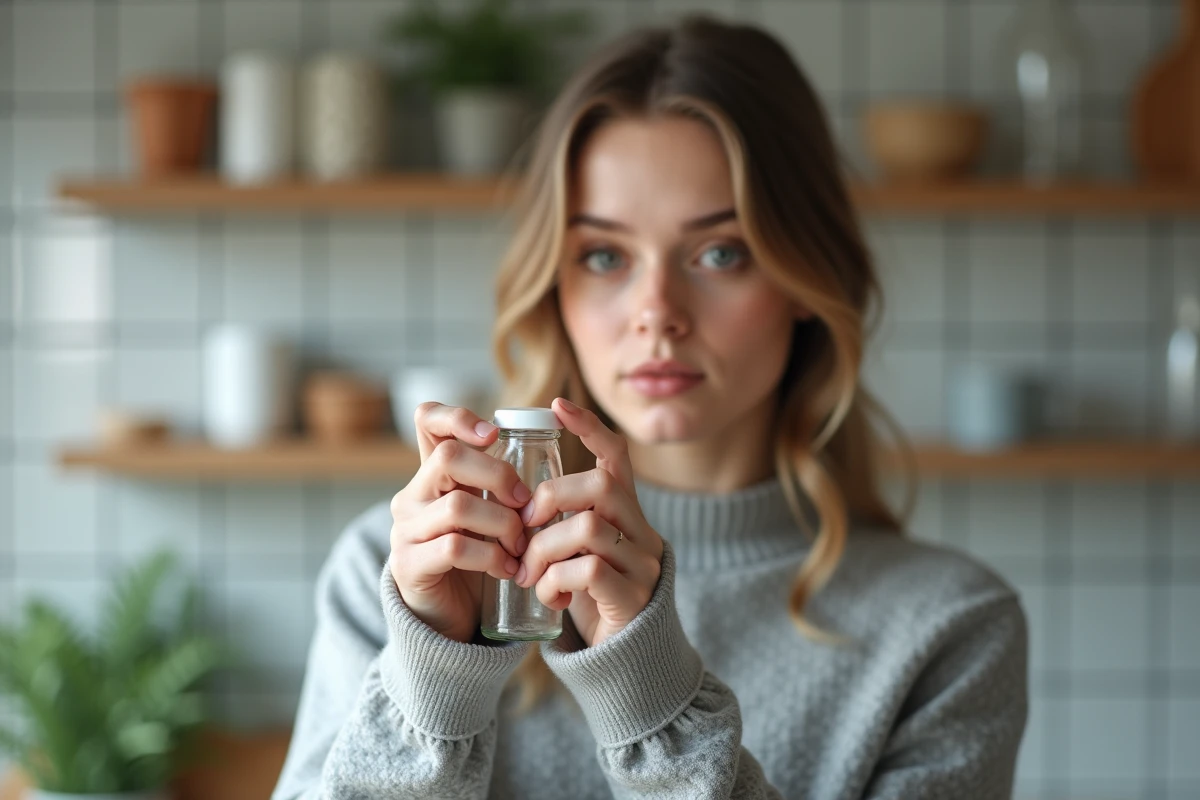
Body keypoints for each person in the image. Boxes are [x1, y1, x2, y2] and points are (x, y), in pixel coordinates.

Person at [272, 16, 1027, 800]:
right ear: (554, 287)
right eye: (604, 256)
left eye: (720, 253)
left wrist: (651, 697)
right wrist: (429, 681)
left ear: (808, 275)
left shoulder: (951, 628)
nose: (657, 312)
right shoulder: (400, 574)